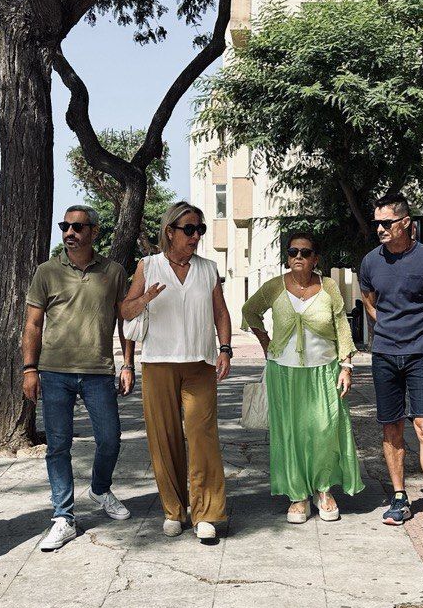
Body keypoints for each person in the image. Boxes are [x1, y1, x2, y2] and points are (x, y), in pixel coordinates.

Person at [22, 205, 135, 552]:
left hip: (99, 372)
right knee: (58, 446)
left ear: (94, 232)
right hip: (54, 373)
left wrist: (128, 363)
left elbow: (125, 321)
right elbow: (33, 324)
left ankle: (100, 488)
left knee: (111, 439)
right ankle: (63, 516)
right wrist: (29, 369)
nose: (69, 232)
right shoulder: (46, 272)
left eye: (78, 227)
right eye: (65, 226)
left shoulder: (114, 272)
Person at [121, 201, 232, 542]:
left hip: (200, 363)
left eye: (199, 230)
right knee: (164, 439)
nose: (196, 236)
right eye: (189, 230)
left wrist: (225, 348)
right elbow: (125, 311)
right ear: (170, 232)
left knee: (203, 439)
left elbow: (221, 314)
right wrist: (145, 300)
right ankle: (174, 510)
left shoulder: (209, 269)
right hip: (158, 363)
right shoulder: (148, 266)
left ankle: (207, 514)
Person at [242, 232, 363, 523]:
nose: (299, 256)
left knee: (324, 429)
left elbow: (341, 326)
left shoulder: (330, 287)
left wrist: (346, 366)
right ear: (287, 256)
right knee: (289, 433)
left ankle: (323, 490)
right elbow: (250, 311)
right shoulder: (274, 286)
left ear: (315, 259)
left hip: (324, 370)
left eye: (305, 252)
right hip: (283, 371)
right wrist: (265, 341)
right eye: (293, 251)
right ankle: (297, 494)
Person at [358, 193, 423, 534]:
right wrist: (384, 328)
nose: (381, 229)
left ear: (406, 224)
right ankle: (399, 498)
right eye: (377, 224)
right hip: (384, 353)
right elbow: (369, 300)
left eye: (386, 223)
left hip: (420, 354)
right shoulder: (370, 262)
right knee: (391, 426)